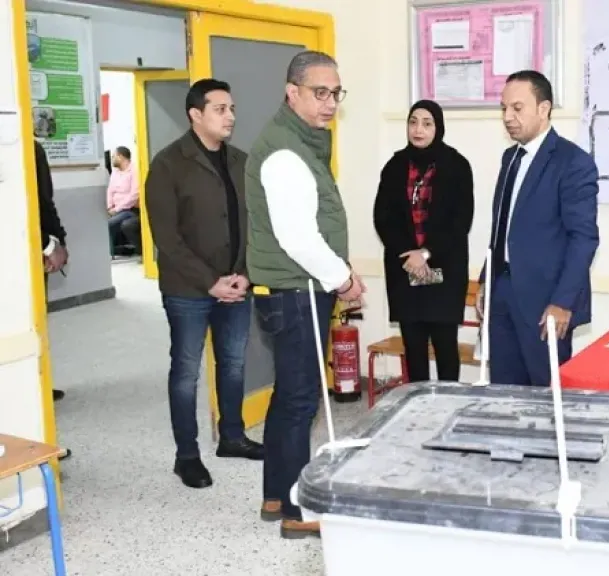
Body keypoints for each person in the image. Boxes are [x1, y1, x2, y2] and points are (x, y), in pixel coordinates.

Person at [245, 50, 364, 539]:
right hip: (297, 290)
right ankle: (297, 511)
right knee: (300, 401)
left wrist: (337, 273)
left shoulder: (299, 142)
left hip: (296, 288)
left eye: (336, 93)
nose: (330, 103)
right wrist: (344, 279)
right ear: (292, 92)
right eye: (320, 93)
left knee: (288, 396)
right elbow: (298, 238)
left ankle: (276, 494)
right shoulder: (285, 153)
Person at [145, 78, 264, 490]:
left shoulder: (241, 161)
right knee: (186, 372)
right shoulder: (168, 164)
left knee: (233, 364)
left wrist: (246, 273)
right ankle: (187, 456)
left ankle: (232, 437)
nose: (230, 116)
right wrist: (211, 282)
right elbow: (167, 239)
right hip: (189, 290)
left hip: (237, 284)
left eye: (232, 109)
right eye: (220, 109)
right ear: (196, 114)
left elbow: (254, 225)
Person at [478, 70, 599, 387]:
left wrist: (563, 302)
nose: (508, 117)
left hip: (546, 301)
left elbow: (583, 238)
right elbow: (502, 227)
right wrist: (486, 279)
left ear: (543, 109)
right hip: (502, 293)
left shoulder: (573, 162)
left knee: (546, 394)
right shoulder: (510, 158)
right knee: (505, 391)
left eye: (517, 108)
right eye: (504, 108)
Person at [373, 100, 474, 383]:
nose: (418, 130)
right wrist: (410, 255)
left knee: (445, 347)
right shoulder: (394, 166)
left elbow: (460, 221)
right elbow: (383, 218)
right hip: (405, 271)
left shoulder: (457, 166)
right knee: (413, 349)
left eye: (427, 123)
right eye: (413, 122)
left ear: (438, 127)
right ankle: (417, 405)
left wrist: (426, 253)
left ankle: (448, 403)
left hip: (444, 271)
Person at [34, 140, 69, 406]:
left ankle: (34, 383)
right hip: (24, 247)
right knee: (32, 318)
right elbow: (39, 201)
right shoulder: (28, 148)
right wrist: (53, 243)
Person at [106, 146, 139, 255]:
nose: (112, 159)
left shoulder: (134, 170)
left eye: (114, 156)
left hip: (129, 209)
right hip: (115, 210)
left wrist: (117, 209)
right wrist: (110, 206)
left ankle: (111, 255)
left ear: (121, 157)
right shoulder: (115, 172)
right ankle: (114, 251)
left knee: (108, 224)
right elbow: (110, 190)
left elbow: (134, 195)